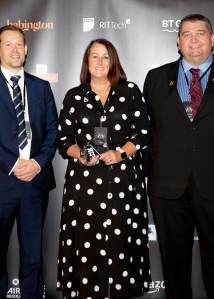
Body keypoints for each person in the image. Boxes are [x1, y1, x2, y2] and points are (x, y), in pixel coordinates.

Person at [143, 14, 214, 299]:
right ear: (177, 41)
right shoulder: (155, 78)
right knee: (173, 267)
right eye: (187, 34)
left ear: (212, 40)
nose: (194, 39)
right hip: (167, 187)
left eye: (200, 33)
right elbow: (145, 132)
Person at [56, 38, 151, 299]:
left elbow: (143, 133)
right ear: (87, 61)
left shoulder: (130, 91)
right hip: (84, 183)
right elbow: (63, 139)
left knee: (121, 240)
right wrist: (81, 154)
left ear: (113, 61)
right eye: (94, 56)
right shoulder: (74, 96)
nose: (100, 62)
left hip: (123, 181)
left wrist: (120, 153)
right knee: (88, 243)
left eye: (105, 57)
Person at [0, 24, 57, 299]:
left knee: (33, 253)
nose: (15, 49)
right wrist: (14, 164)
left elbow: (53, 130)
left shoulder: (41, 87)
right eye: (8, 44)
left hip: (35, 181)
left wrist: (37, 163)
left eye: (19, 44)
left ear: (27, 49)